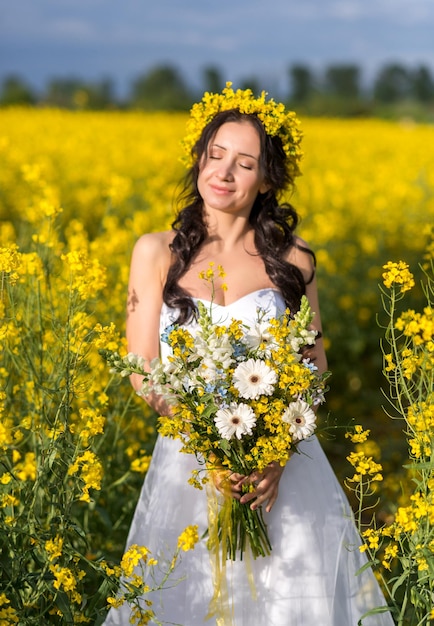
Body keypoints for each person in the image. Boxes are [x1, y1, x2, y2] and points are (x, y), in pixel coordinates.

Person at [103, 84, 394, 626]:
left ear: (267, 179)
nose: (224, 173)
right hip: (188, 468)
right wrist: (209, 446)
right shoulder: (153, 251)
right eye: (214, 156)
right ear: (198, 159)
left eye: (244, 163)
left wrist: (276, 455)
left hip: (281, 474)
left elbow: (313, 369)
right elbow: (143, 371)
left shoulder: (295, 259)